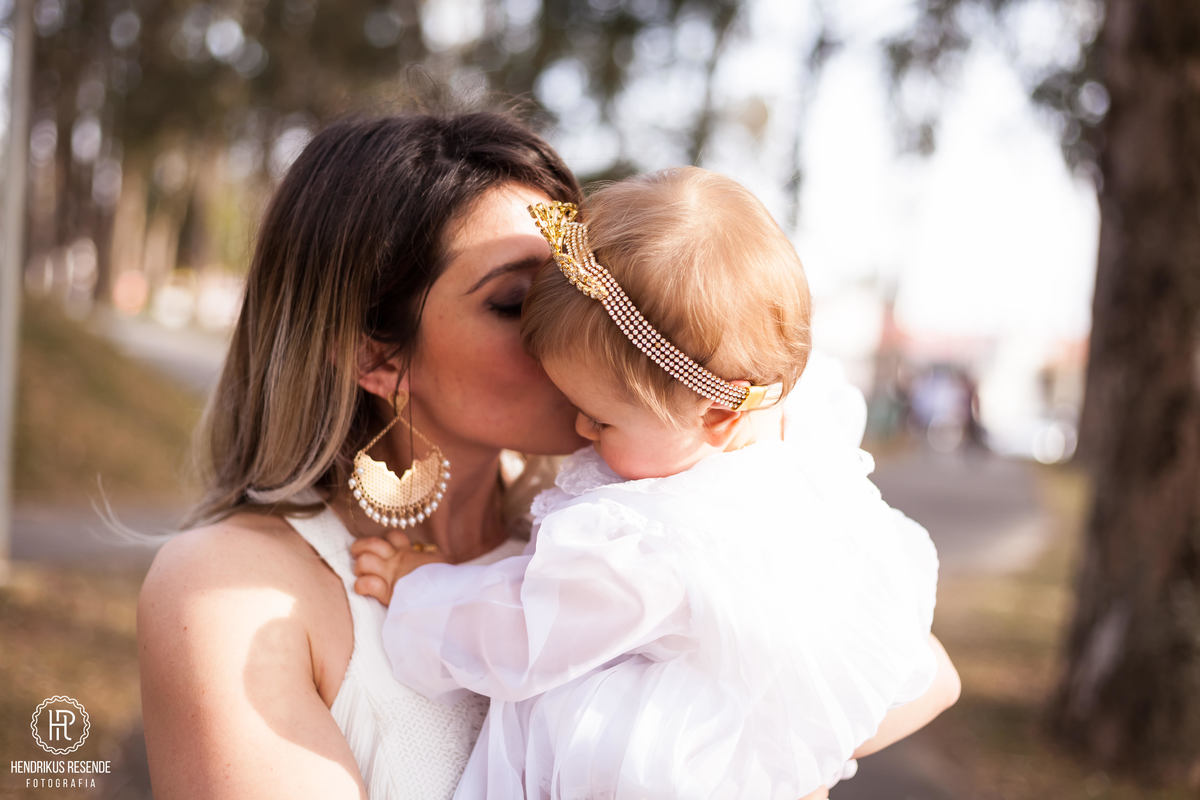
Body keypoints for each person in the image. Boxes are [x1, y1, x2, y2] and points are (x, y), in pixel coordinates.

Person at [351, 168, 956, 799]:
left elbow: (523, 625)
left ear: (718, 416)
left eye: (604, 418)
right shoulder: (797, 451)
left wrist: (417, 589)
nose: (580, 425)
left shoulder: (647, 538)